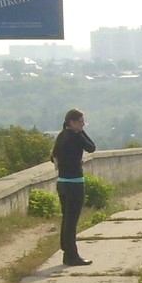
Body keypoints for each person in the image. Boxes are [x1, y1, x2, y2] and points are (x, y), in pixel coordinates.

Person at [51, 108, 96, 266]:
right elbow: (91, 147)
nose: (83, 125)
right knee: (72, 221)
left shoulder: (62, 136)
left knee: (66, 218)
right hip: (75, 183)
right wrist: (81, 132)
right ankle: (72, 255)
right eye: (81, 122)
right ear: (72, 122)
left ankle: (66, 251)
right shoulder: (76, 137)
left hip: (62, 183)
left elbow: (53, 158)